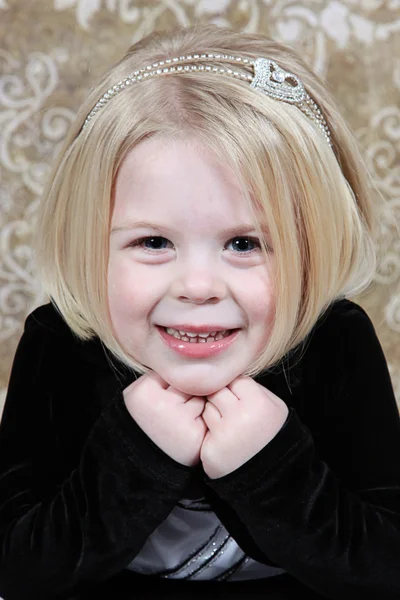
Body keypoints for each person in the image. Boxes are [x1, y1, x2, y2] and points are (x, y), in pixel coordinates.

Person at [1, 23, 400, 600]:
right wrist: (134, 456)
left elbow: (386, 566)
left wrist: (270, 467)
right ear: (90, 243)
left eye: (245, 244)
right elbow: (18, 568)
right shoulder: (59, 343)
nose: (196, 286)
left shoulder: (335, 342)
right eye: (153, 243)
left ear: (312, 249)